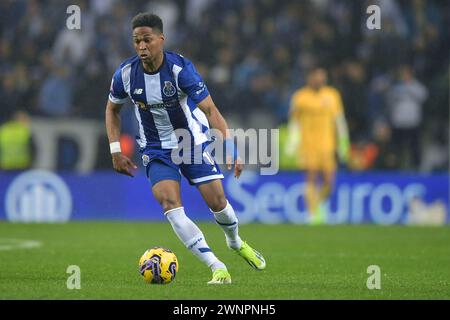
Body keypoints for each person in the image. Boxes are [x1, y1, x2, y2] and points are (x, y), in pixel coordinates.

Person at [105, 13, 265, 285]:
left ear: (161, 39)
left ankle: (235, 242)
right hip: (155, 149)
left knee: (218, 203)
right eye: (136, 41)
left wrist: (230, 149)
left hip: (190, 143)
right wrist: (115, 149)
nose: (142, 46)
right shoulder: (126, 74)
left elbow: (211, 110)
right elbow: (112, 110)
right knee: (171, 206)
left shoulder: (180, 70)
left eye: (147, 40)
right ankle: (217, 267)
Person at [286, 68, 350, 225]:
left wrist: (344, 142)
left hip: (328, 145)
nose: (320, 80)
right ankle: (312, 213)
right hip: (308, 145)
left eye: (323, 77)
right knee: (310, 178)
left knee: (329, 182)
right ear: (310, 78)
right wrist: (292, 142)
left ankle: (318, 205)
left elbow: (339, 120)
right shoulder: (300, 96)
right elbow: (294, 122)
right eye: (317, 77)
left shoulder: (332, 95)